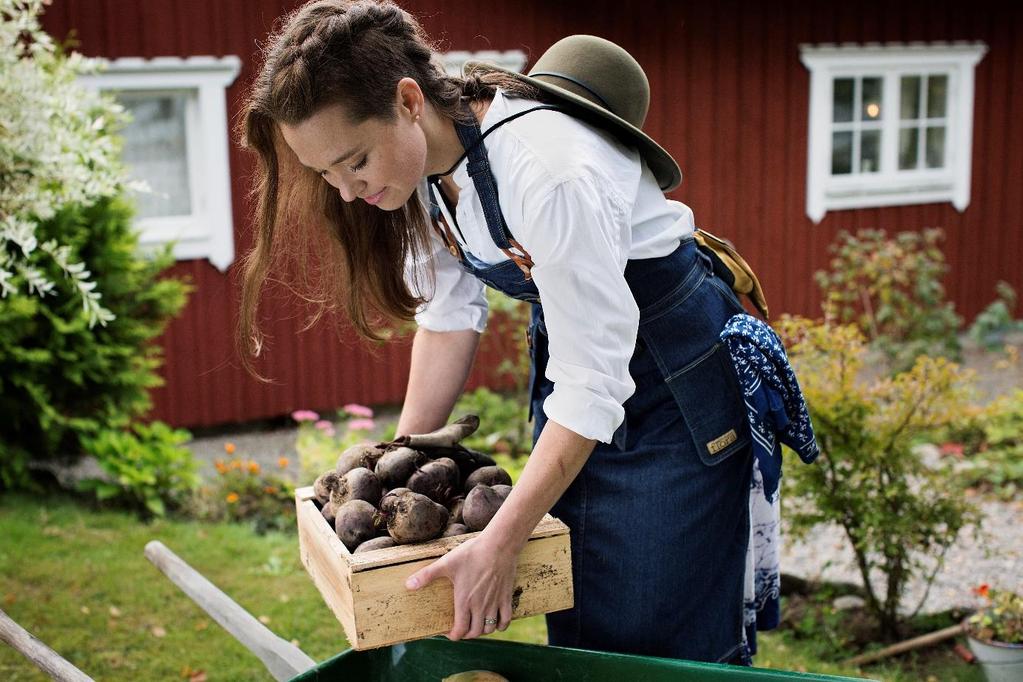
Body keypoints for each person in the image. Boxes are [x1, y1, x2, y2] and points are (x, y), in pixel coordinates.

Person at [238, 0, 757, 664]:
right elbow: (449, 320)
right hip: (582, 383)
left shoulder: (547, 173)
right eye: (326, 174)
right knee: (586, 610)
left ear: (406, 101)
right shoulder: (425, 172)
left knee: (654, 633)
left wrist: (501, 542)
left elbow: (593, 379)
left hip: (673, 393)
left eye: (354, 160)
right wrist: (395, 468)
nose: (345, 190)